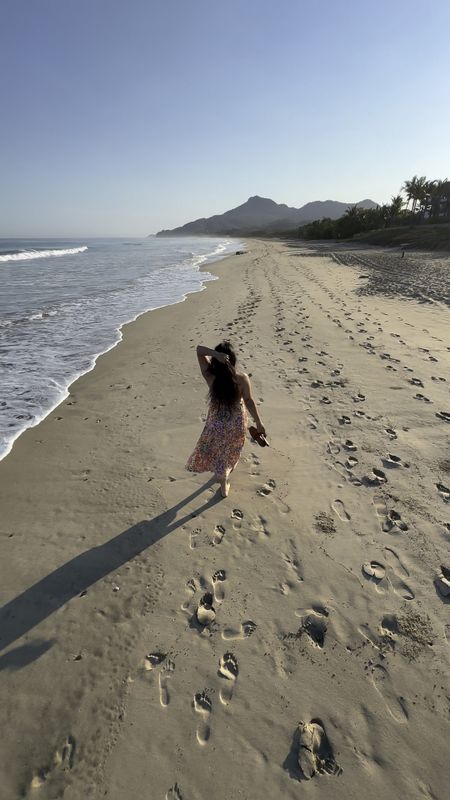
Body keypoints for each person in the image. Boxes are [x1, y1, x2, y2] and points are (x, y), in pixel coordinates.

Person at [186, 341, 265, 497]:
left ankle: (222, 474)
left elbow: (199, 350)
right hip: (236, 422)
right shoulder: (241, 378)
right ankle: (223, 483)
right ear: (233, 359)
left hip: (216, 422)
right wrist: (259, 422)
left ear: (217, 360)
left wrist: (216, 355)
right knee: (230, 450)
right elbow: (248, 401)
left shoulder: (210, 375)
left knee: (219, 449)